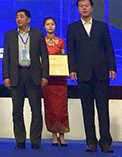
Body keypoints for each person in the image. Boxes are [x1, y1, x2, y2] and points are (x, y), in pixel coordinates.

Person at [67, 0, 116, 153]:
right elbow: (71, 51)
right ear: (78, 9)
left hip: (101, 73)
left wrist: (112, 67)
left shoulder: (102, 26)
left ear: (92, 8)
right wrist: (72, 69)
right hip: (83, 74)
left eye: (87, 5)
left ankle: (106, 142)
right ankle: (91, 142)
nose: (84, 8)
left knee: (103, 109)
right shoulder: (73, 28)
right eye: (81, 6)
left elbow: (109, 48)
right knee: (87, 110)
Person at [3, 9, 49, 150]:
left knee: (36, 110)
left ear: (28, 19)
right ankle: (20, 140)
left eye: (22, 17)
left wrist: (45, 76)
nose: (19, 19)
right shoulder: (10, 35)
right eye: (17, 17)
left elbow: (44, 56)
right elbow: (6, 57)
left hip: (33, 75)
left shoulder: (37, 34)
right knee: (17, 111)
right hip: (16, 75)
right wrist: (6, 76)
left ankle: (35, 141)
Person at [42, 16, 69, 147]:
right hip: (47, 80)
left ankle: (62, 135)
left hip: (60, 80)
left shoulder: (61, 42)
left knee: (62, 108)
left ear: (55, 26)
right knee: (50, 108)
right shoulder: (41, 42)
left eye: (52, 24)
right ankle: (53, 135)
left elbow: (63, 58)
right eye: (48, 24)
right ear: (44, 27)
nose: (50, 26)